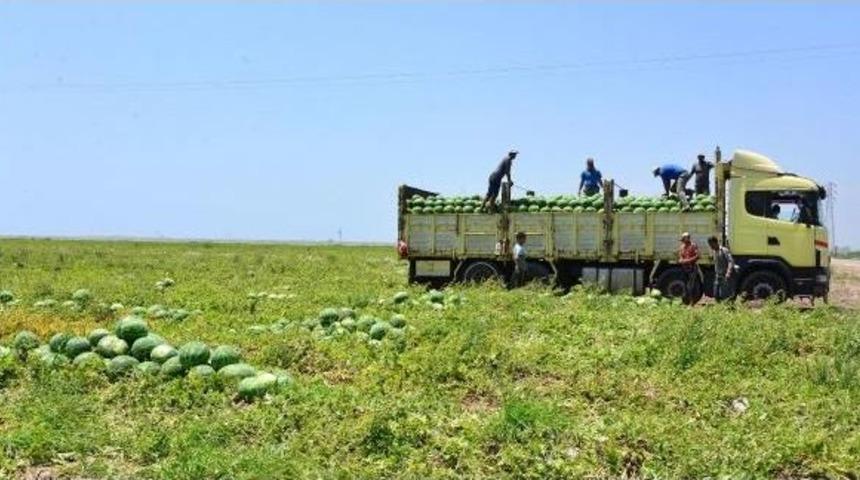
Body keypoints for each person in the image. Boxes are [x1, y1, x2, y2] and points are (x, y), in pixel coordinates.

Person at [708, 235, 735, 302]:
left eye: (711, 244)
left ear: (715, 242)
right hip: (718, 276)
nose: (710, 246)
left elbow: (730, 261)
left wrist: (728, 273)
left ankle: (729, 309)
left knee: (725, 295)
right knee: (716, 294)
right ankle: (720, 308)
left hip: (724, 276)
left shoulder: (724, 250)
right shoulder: (714, 252)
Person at [678, 232, 701, 305]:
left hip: (692, 268)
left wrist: (687, 261)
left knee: (690, 286)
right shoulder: (682, 247)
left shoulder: (693, 245)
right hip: (684, 268)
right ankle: (685, 301)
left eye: (684, 239)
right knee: (684, 285)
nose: (683, 241)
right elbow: (681, 256)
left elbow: (697, 256)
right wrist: (681, 260)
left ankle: (691, 302)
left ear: (687, 239)